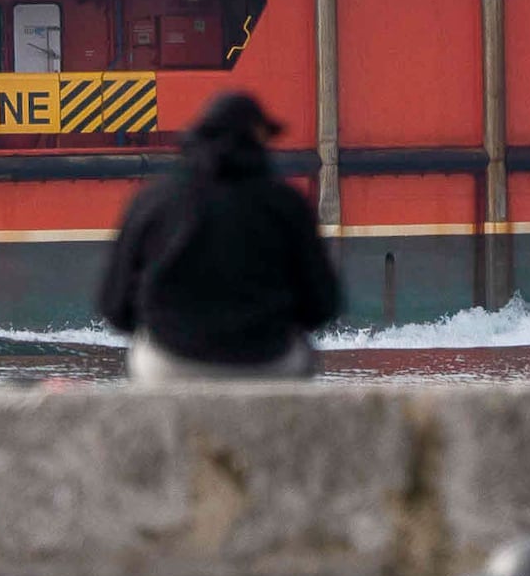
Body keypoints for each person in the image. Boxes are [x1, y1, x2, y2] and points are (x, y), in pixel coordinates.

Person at [94, 89, 344, 382]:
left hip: (172, 364)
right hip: (267, 363)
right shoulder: (286, 202)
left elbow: (114, 307)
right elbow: (323, 305)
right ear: (257, 139)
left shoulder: (153, 200)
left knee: (143, 355)